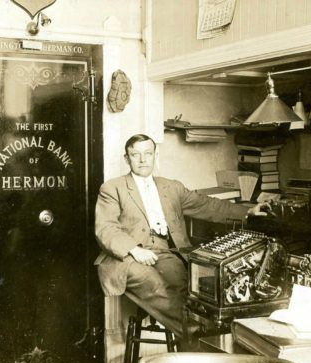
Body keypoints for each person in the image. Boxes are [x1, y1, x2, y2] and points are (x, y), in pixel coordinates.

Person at [94, 134, 269, 338]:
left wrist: (248, 211)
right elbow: (105, 228)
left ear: (155, 156)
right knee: (154, 283)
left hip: (166, 252)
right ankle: (196, 335)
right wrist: (134, 249)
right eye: (135, 155)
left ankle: (203, 333)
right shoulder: (112, 188)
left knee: (187, 286)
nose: (142, 160)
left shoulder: (172, 187)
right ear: (127, 158)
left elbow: (205, 204)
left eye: (147, 154)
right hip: (128, 256)